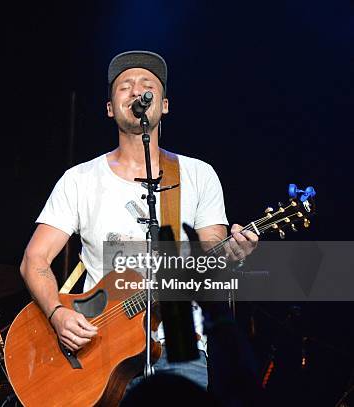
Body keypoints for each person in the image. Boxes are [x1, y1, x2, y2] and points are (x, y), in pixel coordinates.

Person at [19, 51, 258, 391]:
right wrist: (57, 314)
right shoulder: (79, 179)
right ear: (109, 108)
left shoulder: (198, 175)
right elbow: (34, 260)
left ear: (163, 105)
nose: (136, 91)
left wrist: (231, 254)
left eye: (147, 85)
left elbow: (210, 252)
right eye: (125, 86)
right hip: (98, 352)